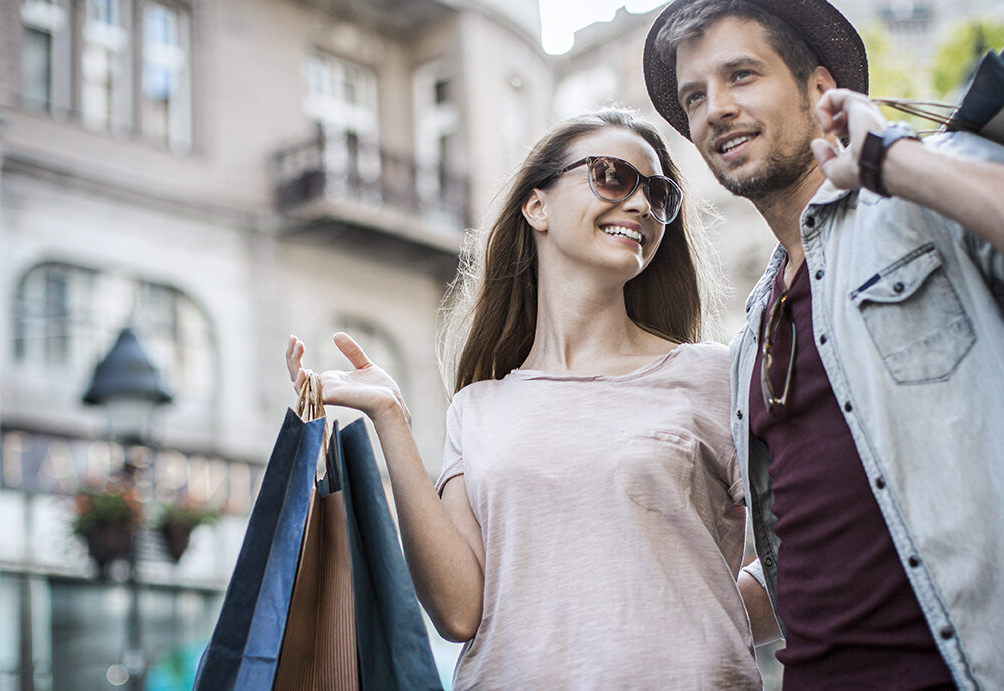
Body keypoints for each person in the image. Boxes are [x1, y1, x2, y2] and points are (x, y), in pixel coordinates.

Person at [642, 1, 1004, 689]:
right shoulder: (750, 337)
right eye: (694, 96)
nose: (715, 108)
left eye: (740, 75)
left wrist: (891, 159)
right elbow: (811, 554)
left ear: (822, 90)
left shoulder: (917, 187)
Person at [284, 108, 762, 689]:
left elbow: (808, 554)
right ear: (536, 206)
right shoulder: (476, 408)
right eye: (613, 176)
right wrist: (391, 418)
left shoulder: (716, 375)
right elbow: (458, 612)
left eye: (659, 194)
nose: (640, 205)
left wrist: (699, 623)